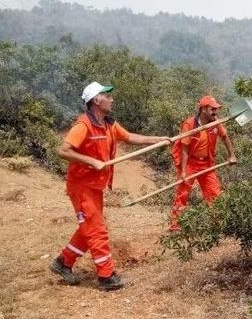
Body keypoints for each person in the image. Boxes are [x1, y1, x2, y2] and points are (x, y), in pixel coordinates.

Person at [50, 81, 169, 291]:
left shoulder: (109, 124)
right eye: (108, 96)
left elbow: (130, 137)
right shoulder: (83, 125)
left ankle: (63, 262)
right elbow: (63, 150)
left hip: (96, 186)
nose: (112, 99)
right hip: (81, 187)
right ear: (97, 100)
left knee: (88, 228)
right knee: (97, 230)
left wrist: (158, 139)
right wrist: (91, 161)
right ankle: (106, 277)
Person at [169, 95, 237, 231]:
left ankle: (218, 223)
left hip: (207, 164)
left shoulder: (215, 122)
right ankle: (175, 225)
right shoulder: (190, 124)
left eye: (216, 109)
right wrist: (183, 172)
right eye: (213, 109)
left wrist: (232, 155)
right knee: (182, 193)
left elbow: (224, 137)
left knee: (214, 193)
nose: (215, 112)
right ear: (204, 109)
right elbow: (184, 149)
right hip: (190, 163)